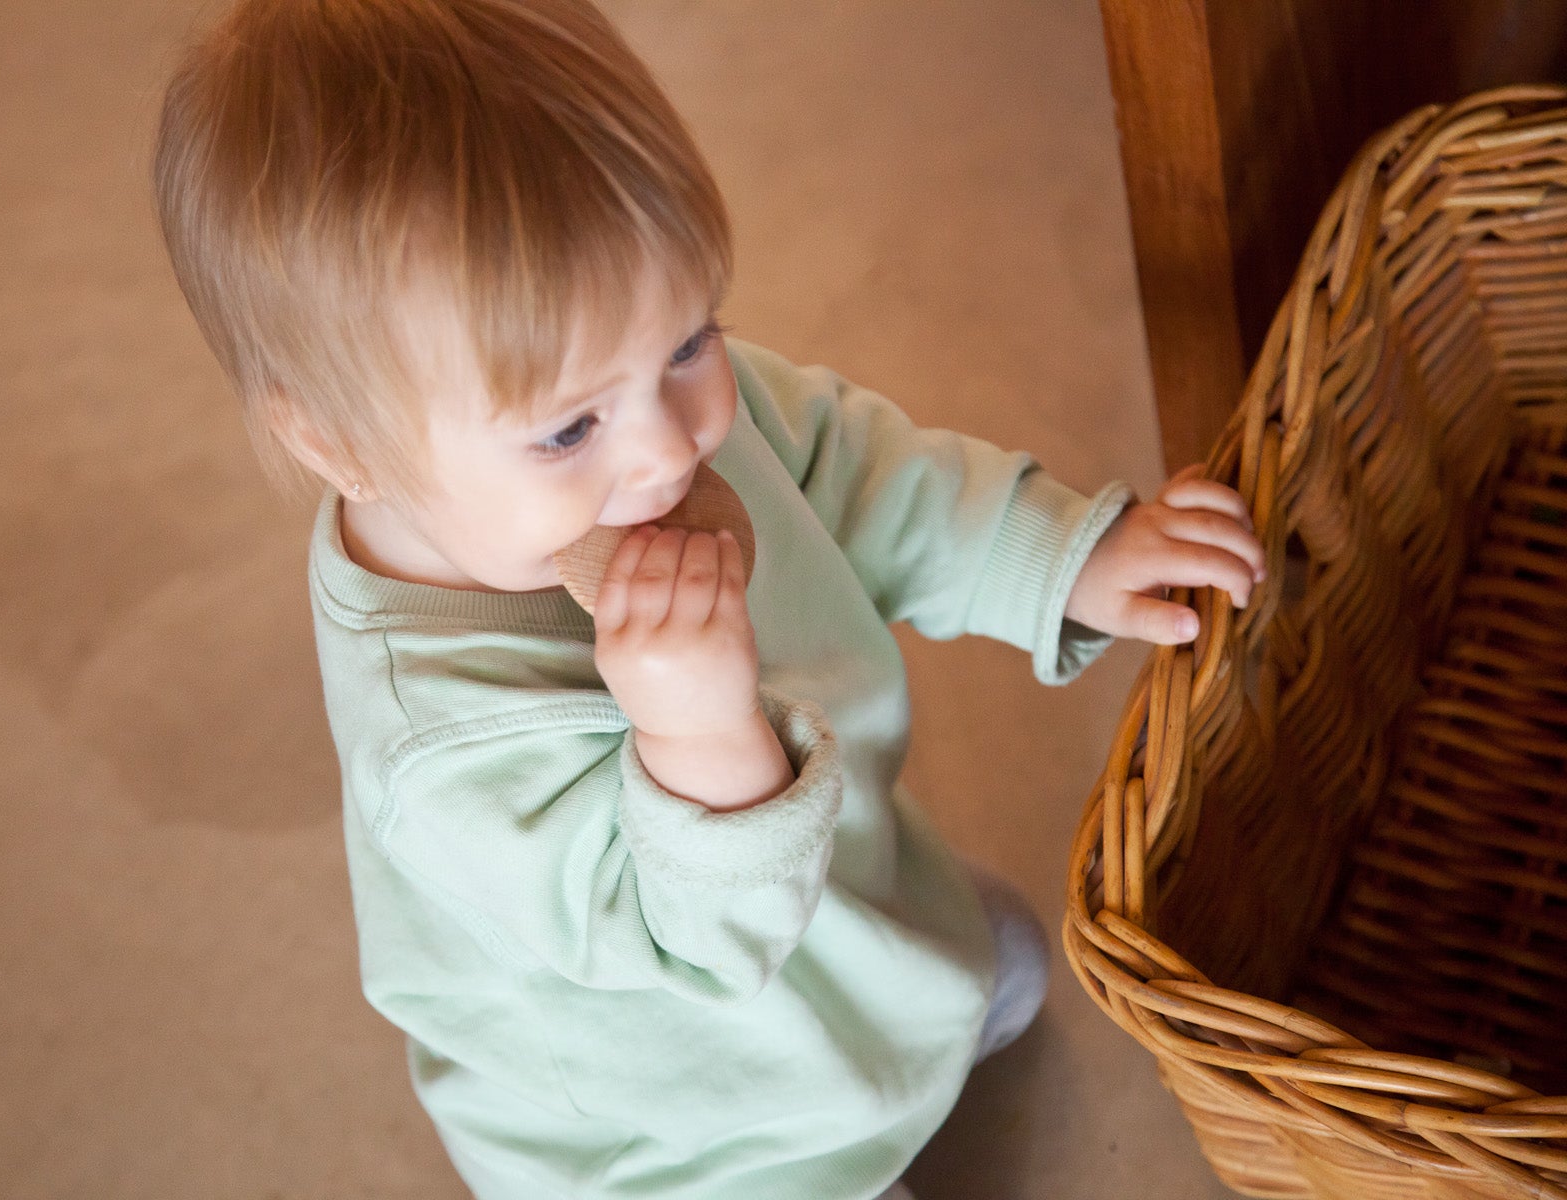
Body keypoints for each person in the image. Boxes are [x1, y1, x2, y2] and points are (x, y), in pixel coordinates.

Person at [150, 1, 1267, 1196]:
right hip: (690, 1115)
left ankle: (896, 1001)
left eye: (692, 338)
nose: (670, 450)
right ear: (341, 446)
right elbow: (687, 946)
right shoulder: (443, 752)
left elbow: (859, 472)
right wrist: (692, 732)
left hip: (837, 905)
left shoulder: (642, 410)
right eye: (570, 426)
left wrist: (1059, 558)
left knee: (932, 965)